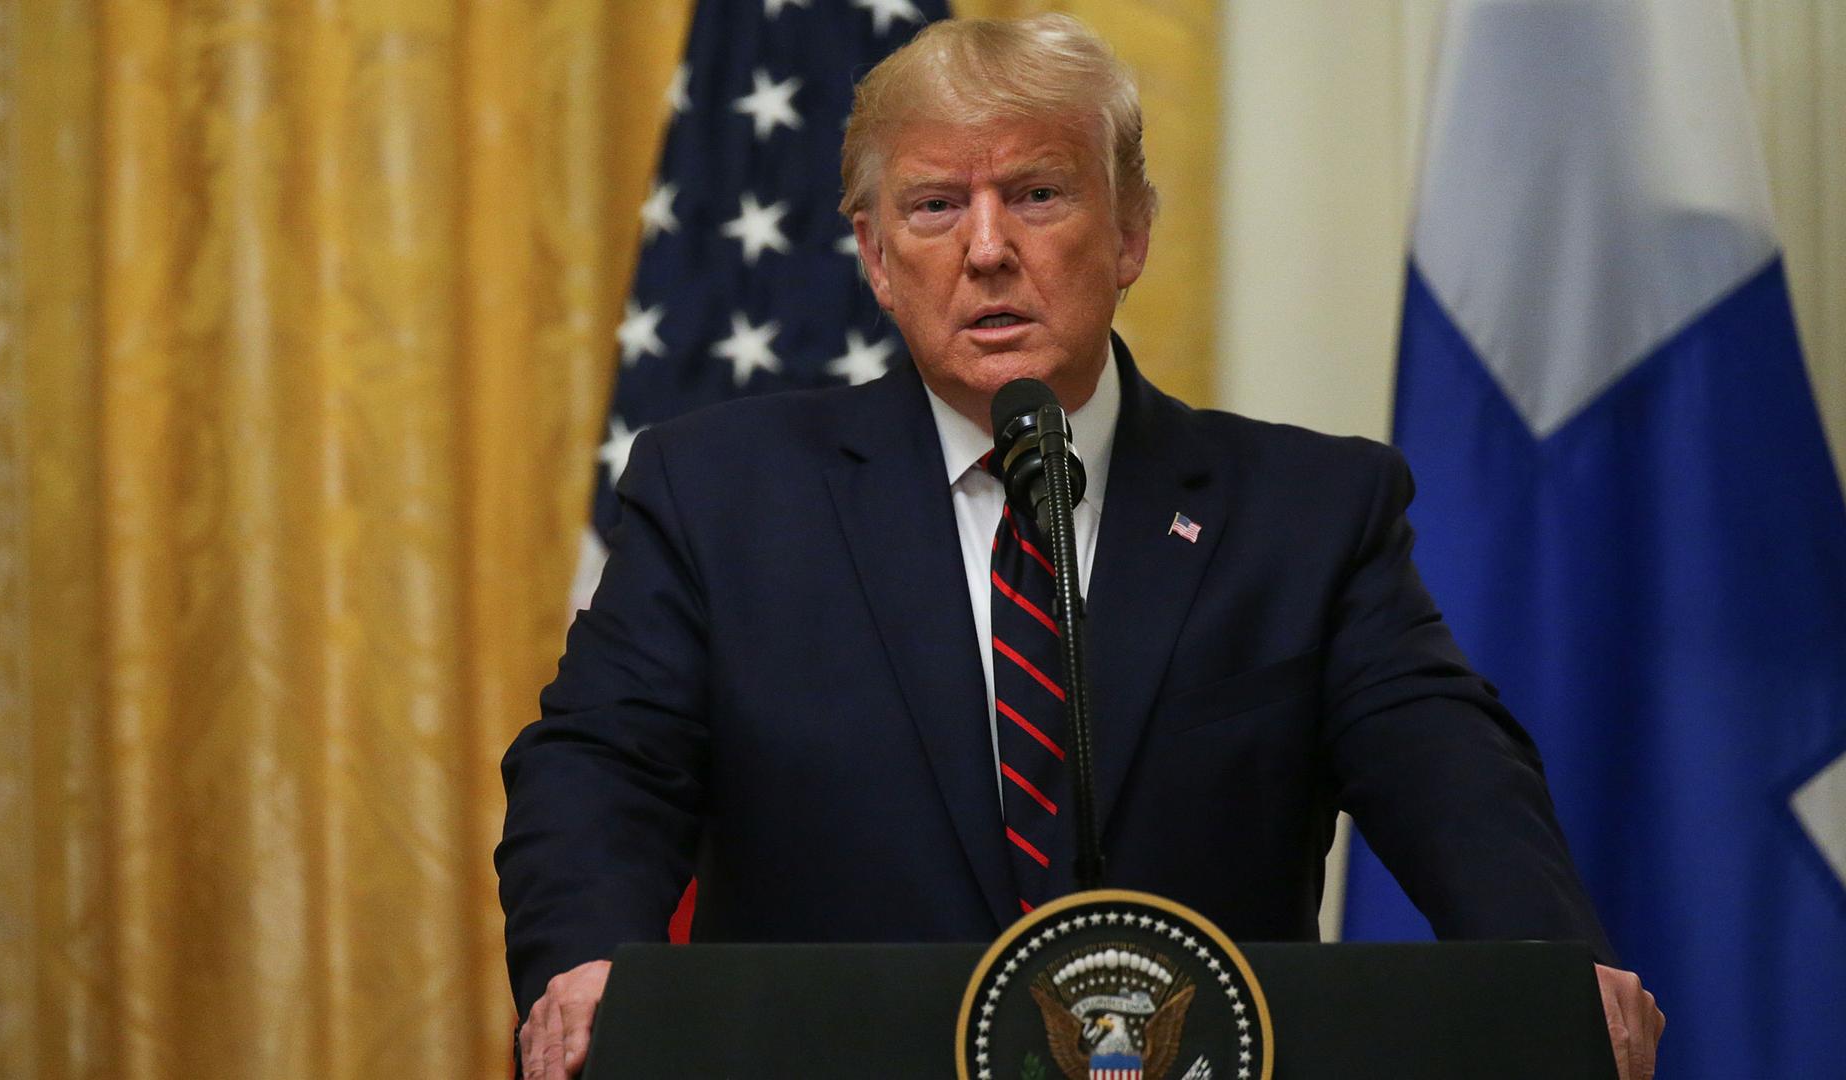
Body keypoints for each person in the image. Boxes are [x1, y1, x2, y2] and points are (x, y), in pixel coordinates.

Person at [498, 15, 1663, 1080]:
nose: (988, 248)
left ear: (1131, 233)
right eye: (936, 206)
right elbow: (603, 765)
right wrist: (590, 969)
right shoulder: (723, 494)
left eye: (1040, 194)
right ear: (875, 256)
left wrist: (1555, 970)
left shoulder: (1307, 512)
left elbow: (1449, 772)